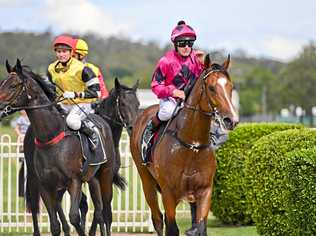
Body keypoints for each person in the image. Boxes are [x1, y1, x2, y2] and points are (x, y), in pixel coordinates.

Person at [142, 21, 228, 162]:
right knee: (167, 112)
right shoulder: (165, 61)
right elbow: (155, 85)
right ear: (175, 44)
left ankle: (214, 137)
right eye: (182, 43)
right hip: (171, 99)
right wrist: (174, 92)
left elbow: (206, 79)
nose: (187, 47)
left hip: (191, 100)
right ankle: (150, 131)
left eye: (190, 43)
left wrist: (203, 64)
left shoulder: (196, 59)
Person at [47, 35, 101, 150]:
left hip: (81, 104)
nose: (61, 55)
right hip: (62, 103)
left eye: (64, 51)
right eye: (58, 51)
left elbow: (97, 93)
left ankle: (92, 133)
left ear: (71, 52)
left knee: (71, 121)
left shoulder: (83, 69)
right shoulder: (51, 68)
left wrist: (75, 94)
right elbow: (50, 88)